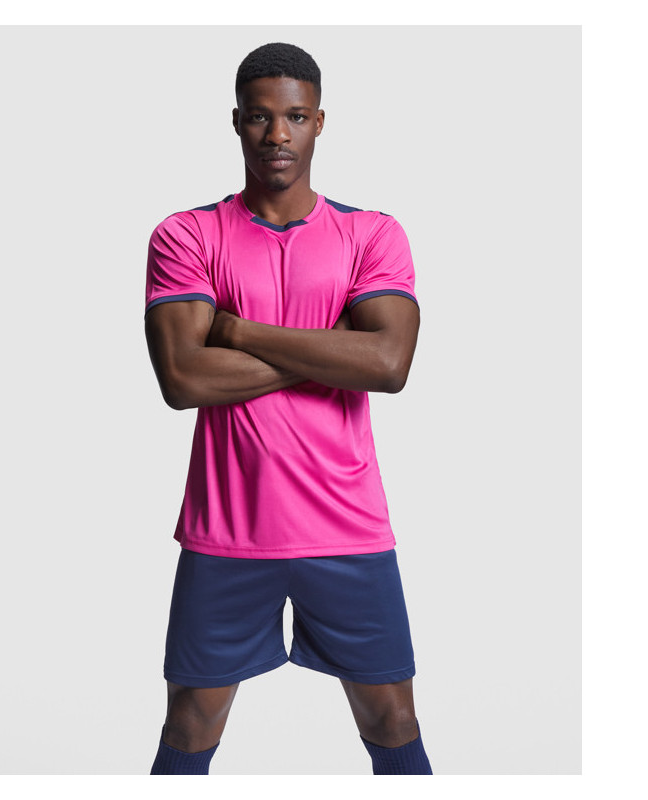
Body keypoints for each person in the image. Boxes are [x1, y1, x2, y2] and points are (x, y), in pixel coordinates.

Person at [144, 42, 432, 776]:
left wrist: (237, 331)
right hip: (227, 528)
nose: (278, 134)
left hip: (347, 526)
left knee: (393, 718)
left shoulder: (371, 234)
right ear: (236, 122)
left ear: (319, 122)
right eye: (261, 117)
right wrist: (332, 347)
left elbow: (388, 364)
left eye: (296, 117)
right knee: (190, 719)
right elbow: (182, 377)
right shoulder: (187, 234)